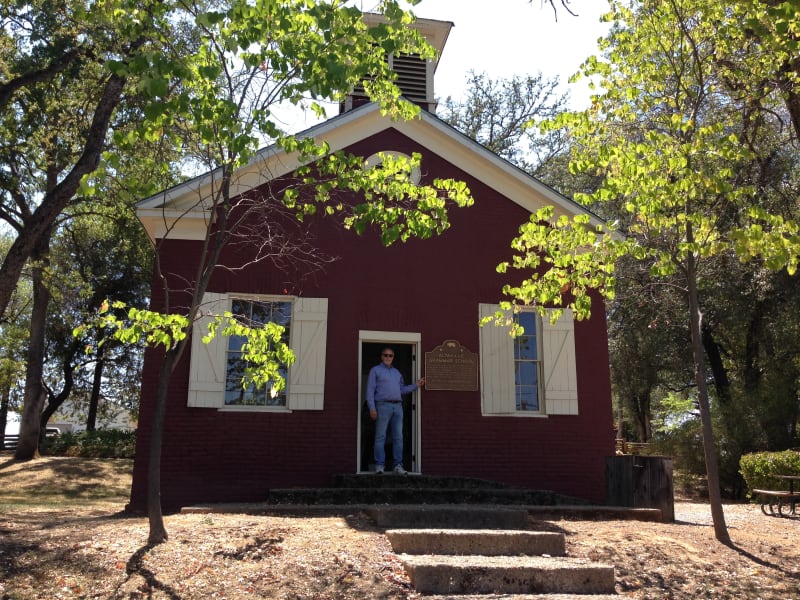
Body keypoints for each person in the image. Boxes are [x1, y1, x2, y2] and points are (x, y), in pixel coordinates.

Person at [366, 347, 425, 475]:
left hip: (398, 406)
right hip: (382, 406)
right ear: (381, 356)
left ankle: (398, 465)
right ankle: (379, 465)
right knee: (380, 436)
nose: (388, 357)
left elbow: (402, 390)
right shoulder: (375, 370)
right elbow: (370, 391)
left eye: (390, 355)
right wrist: (372, 408)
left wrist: (416, 385)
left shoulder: (397, 373)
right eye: (385, 355)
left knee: (398, 437)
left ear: (393, 357)